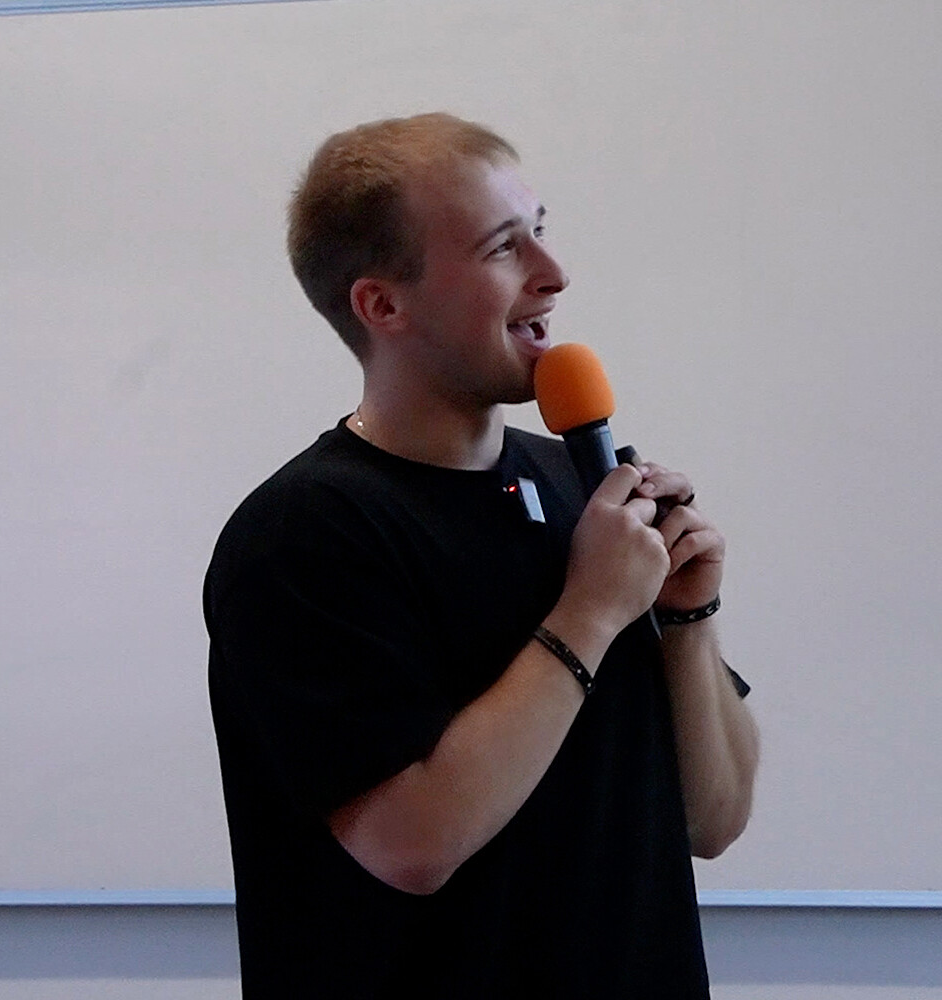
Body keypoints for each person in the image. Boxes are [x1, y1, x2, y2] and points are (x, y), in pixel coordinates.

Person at [204, 112, 759, 998]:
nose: (554, 273)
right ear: (384, 305)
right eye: (505, 247)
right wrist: (590, 613)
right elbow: (411, 844)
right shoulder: (305, 534)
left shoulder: (586, 487)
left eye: (540, 230)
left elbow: (715, 821)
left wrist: (689, 617)